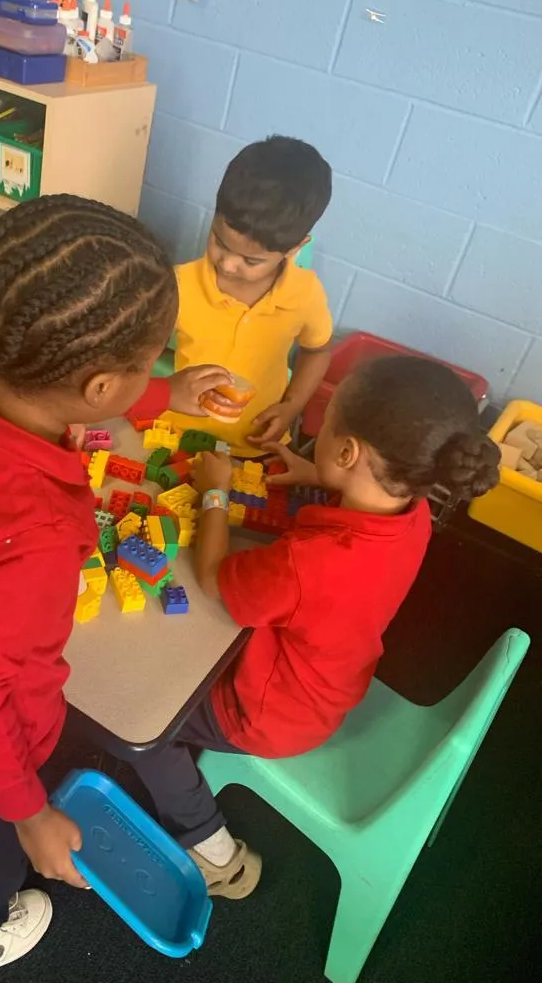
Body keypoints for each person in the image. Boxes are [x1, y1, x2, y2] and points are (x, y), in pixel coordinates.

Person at [0, 194, 234, 983]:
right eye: (151, 362)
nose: (154, 373)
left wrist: (168, 395)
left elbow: (80, 395)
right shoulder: (33, 538)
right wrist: (29, 813)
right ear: (101, 386)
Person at [128, 356, 501, 898]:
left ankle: (216, 856)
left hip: (267, 717)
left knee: (145, 731)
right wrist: (317, 476)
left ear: (348, 452)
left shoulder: (309, 563)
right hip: (332, 682)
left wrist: (215, 491)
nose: (318, 430)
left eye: (325, 427)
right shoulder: (413, 512)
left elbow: (212, 579)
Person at [167, 135, 335, 456]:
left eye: (251, 260)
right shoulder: (179, 284)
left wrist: (291, 406)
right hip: (177, 437)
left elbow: (317, 351)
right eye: (219, 241)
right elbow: (138, 350)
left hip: (258, 445)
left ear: (296, 249)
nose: (228, 265)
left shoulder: (304, 293)